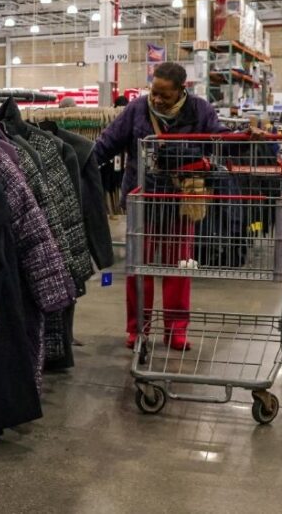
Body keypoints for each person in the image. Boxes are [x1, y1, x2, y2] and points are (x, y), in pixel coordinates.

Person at [95, 62, 227, 351]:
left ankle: (176, 331)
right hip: (142, 200)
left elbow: (221, 139)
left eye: (164, 95)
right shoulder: (137, 109)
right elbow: (108, 143)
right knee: (138, 269)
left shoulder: (201, 110)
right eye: (154, 92)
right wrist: (82, 165)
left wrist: (248, 140)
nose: (156, 99)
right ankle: (137, 329)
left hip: (181, 203)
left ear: (182, 90)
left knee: (178, 268)